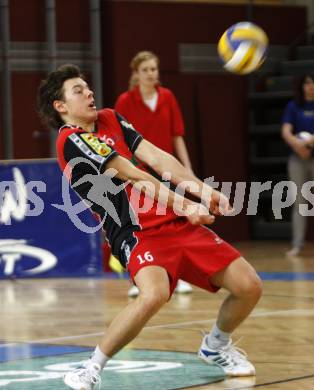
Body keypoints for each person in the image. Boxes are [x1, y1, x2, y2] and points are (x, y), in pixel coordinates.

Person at [37, 64, 262, 390]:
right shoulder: (71, 140)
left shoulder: (112, 117)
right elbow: (132, 174)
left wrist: (202, 189)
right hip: (133, 229)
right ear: (60, 107)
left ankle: (216, 345)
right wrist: (185, 203)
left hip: (174, 222)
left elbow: (157, 158)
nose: (88, 93)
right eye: (78, 90)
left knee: (249, 286)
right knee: (153, 294)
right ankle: (91, 368)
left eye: (87, 87)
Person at [115, 50, 193, 296]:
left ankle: (177, 276)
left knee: (174, 224)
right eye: (146, 70)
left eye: (154, 69)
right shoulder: (125, 102)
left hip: (166, 170)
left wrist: (186, 168)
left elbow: (177, 135)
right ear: (136, 74)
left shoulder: (168, 97)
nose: (151, 74)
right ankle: (137, 279)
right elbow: (119, 142)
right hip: (138, 173)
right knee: (139, 226)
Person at [282, 73, 314, 256]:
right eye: (308, 83)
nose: (311, 86)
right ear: (302, 86)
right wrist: (298, 145)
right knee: (299, 203)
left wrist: (310, 141)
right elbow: (286, 131)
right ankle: (297, 245)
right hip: (297, 159)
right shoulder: (293, 106)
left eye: (313, 83)